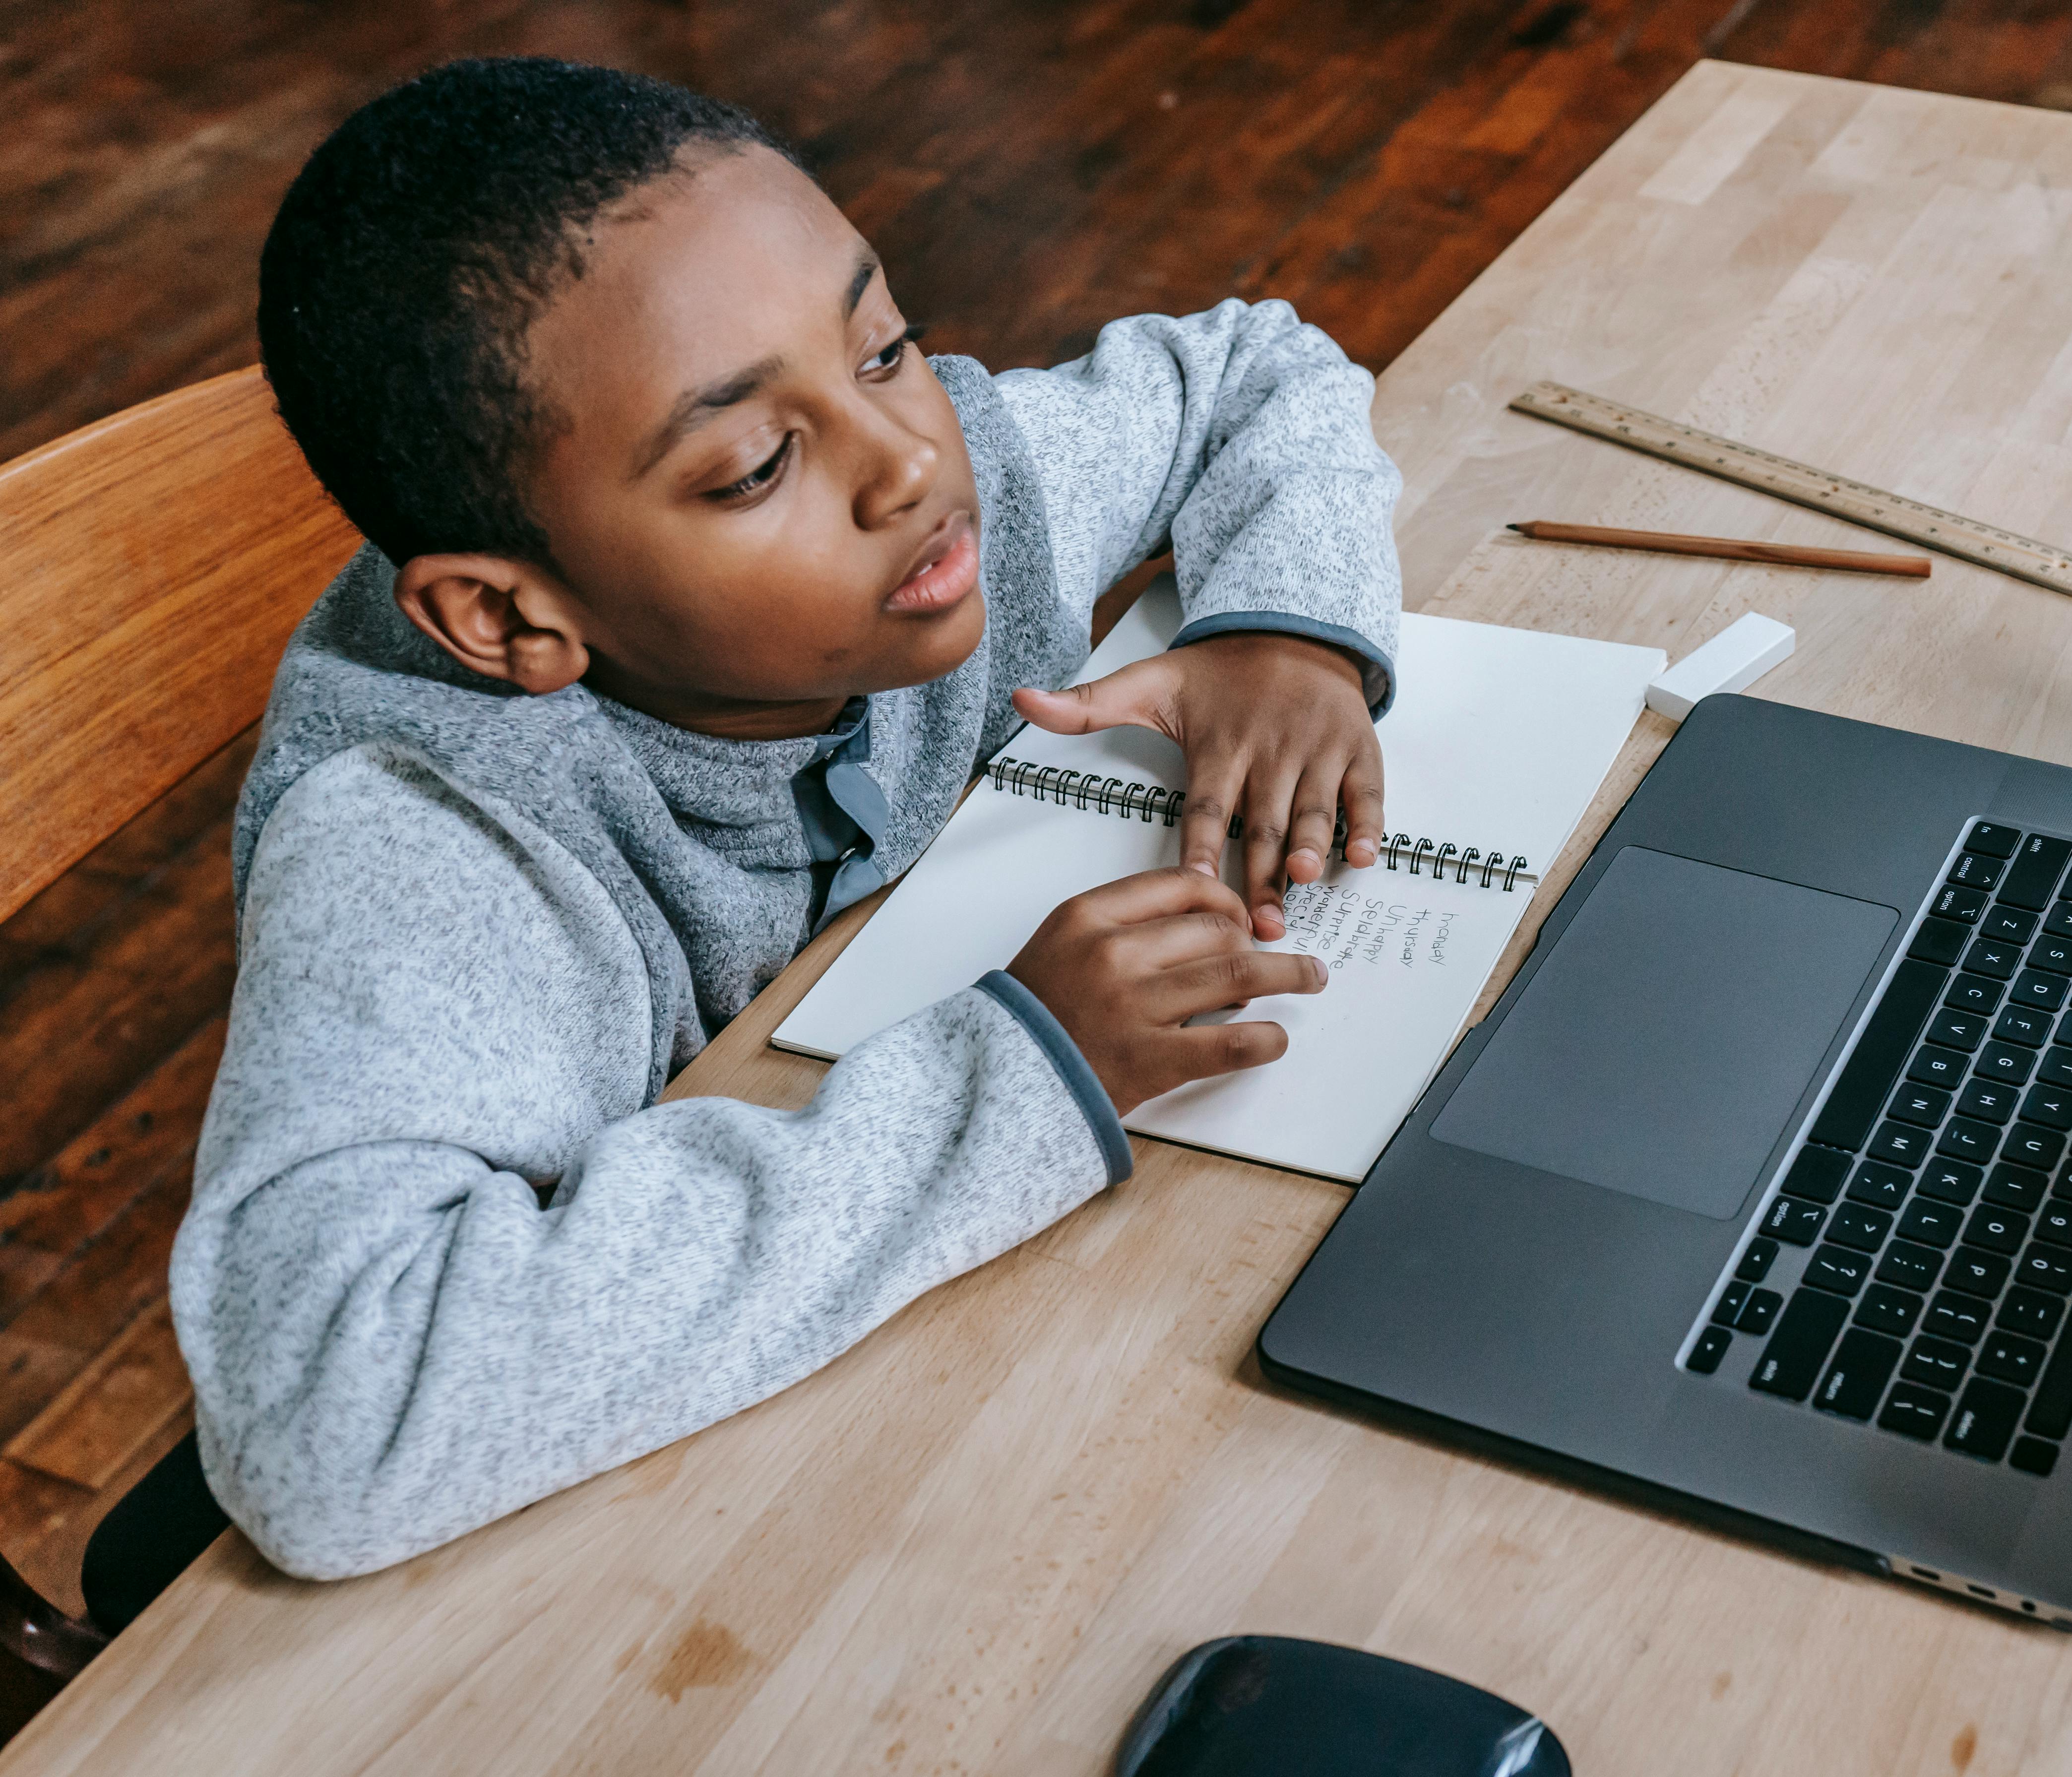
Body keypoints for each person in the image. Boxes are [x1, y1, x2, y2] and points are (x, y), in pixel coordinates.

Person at [168, 55, 1402, 1583]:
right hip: (605, 1547)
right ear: (506, 616)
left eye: (885, 346)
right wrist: (1018, 1076)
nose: (908, 463)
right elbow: (327, 1428)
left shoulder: (954, 501)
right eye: (756, 465)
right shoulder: (432, 840)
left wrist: (1289, 637)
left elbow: (1252, 371)